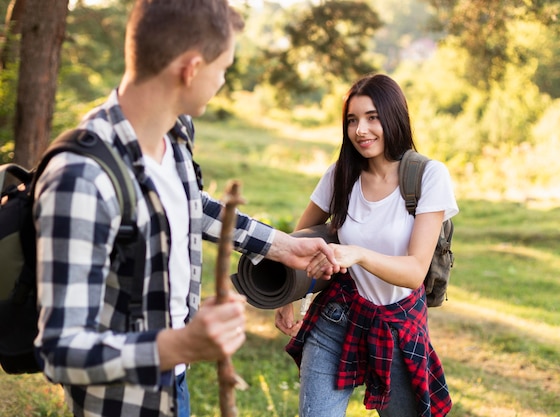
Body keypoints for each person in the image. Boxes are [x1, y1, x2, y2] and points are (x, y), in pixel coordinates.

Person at [32, 1, 340, 416]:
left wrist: (281, 246)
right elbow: (61, 349)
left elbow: (191, 204)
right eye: (224, 67)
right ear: (191, 69)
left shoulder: (175, 132)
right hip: (118, 403)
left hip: (175, 383)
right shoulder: (82, 177)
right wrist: (180, 343)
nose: (224, 80)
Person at [274, 74, 459, 417]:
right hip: (338, 314)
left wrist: (357, 254)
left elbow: (415, 271)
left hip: (399, 324)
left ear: (393, 116)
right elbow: (295, 244)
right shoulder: (340, 175)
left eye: (372, 117)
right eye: (352, 120)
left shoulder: (429, 177)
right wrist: (289, 294)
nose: (361, 130)